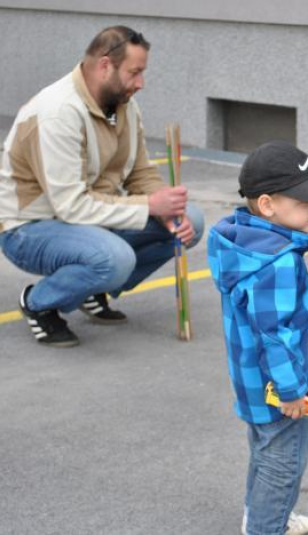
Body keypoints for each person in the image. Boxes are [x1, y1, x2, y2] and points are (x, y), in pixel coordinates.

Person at [0, 26, 204, 347]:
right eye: (134, 72)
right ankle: (39, 302)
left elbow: (139, 172)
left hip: (88, 219)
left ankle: (93, 288)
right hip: (29, 228)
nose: (141, 83)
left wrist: (166, 209)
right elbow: (71, 206)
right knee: (114, 259)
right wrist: (150, 207)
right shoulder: (57, 113)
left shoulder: (122, 104)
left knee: (191, 219)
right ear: (105, 65)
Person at [207, 141, 308, 535]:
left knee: (265, 452)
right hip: (278, 386)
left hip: (253, 379)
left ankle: (261, 515)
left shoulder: (245, 243)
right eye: (305, 202)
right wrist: (290, 389)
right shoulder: (277, 262)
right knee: (283, 463)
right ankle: (266, 527)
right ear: (267, 205)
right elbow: (276, 334)